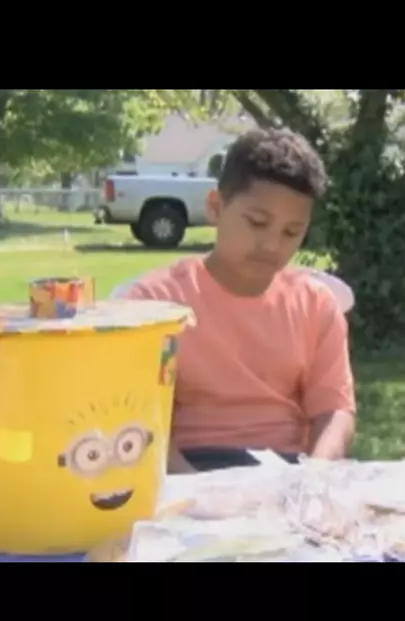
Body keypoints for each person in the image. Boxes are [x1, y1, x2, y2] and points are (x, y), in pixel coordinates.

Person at [126, 128, 356, 473]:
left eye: (292, 232)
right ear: (216, 207)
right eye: (257, 223)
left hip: (289, 470)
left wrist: (315, 475)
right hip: (189, 468)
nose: (272, 245)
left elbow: (334, 411)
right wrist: (195, 493)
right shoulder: (154, 304)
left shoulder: (316, 304)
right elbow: (135, 415)